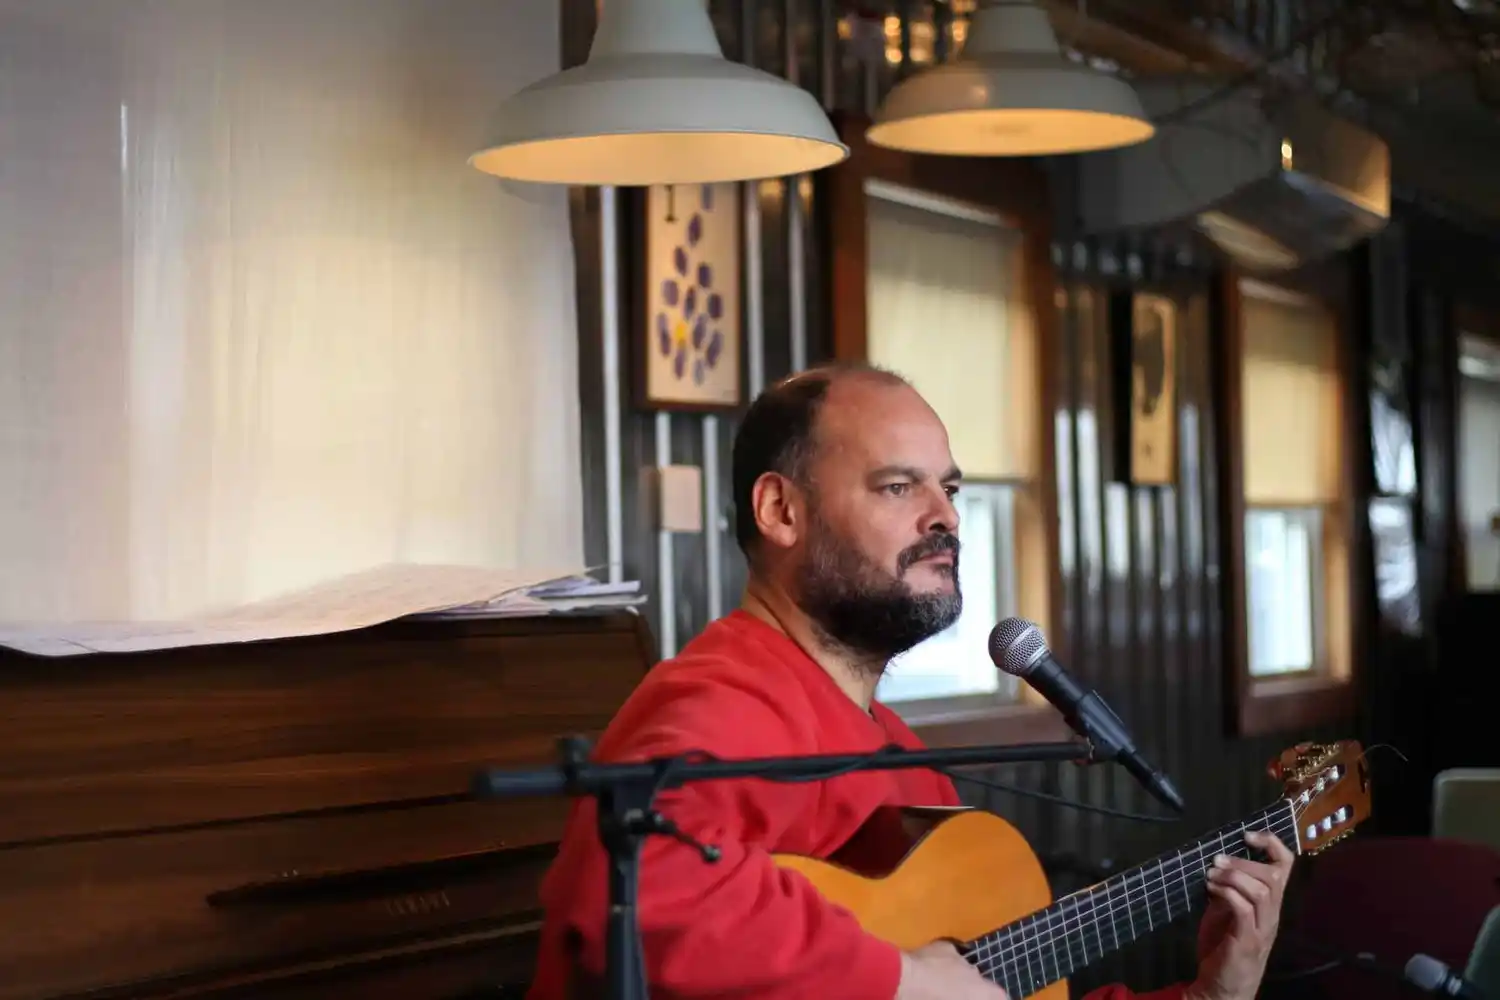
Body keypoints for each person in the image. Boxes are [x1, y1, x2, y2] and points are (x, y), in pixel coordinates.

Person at [526, 363, 1294, 1000]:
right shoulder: (722, 698)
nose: (946, 519)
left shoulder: (900, 756)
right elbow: (633, 894)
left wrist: (1206, 998)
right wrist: (900, 978)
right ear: (780, 510)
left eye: (950, 491)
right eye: (899, 487)